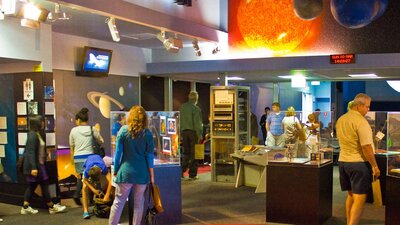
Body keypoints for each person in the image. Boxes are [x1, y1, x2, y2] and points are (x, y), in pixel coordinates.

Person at [336, 93, 380, 225]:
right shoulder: (361, 121)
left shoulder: (341, 119)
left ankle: (349, 222)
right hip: (358, 164)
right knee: (360, 198)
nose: (368, 110)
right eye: (367, 107)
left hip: (343, 162)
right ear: (359, 106)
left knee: (351, 195)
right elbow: (366, 147)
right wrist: (375, 166)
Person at [109, 106, 155, 225]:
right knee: (139, 204)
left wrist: (116, 169)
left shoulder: (123, 131)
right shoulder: (148, 134)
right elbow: (150, 157)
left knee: (118, 202)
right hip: (142, 173)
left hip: (125, 172)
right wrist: (152, 176)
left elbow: (118, 153)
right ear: (145, 119)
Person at [21, 115, 67, 215]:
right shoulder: (33, 135)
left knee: (33, 186)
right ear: (37, 123)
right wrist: (33, 167)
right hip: (36, 166)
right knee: (44, 184)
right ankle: (51, 207)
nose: (43, 123)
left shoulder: (36, 134)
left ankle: (25, 207)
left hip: (38, 165)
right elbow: (31, 152)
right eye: (41, 121)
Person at [69, 108, 104, 205]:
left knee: (82, 177)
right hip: (90, 157)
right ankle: (90, 200)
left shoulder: (73, 130)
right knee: (92, 177)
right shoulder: (92, 129)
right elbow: (101, 141)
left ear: (79, 120)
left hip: (78, 158)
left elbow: (72, 146)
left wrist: (72, 160)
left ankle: (78, 195)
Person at [180, 91, 203, 180]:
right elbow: (198, 124)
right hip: (193, 133)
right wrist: (200, 134)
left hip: (184, 132)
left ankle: (181, 172)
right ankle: (192, 174)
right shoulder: (196, 109)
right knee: (195, 153)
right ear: (196, 99)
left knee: (186, 153)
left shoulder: (183, 107)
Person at [81, 154, 112, 219]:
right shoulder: (87, 170)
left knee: (107, 185)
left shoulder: (103, 168)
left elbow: (111, 181)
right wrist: (93, 190)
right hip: (88, 161)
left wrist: (107, 195)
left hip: (98, 159)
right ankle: (85, 211)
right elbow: (85, 180)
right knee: (84, 188)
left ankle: (111, 206)